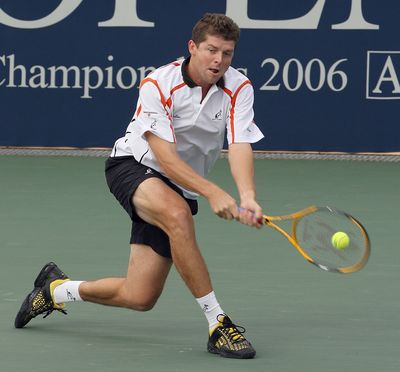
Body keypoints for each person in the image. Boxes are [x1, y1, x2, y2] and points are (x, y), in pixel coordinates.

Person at [14, 13, 264, 359]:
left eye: (227, 53)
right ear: (192, 47)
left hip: (180, 186)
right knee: (178, 216)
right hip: (133, 166)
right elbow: (167, 158)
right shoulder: (157, 84)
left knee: (140, 295)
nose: (219, 60)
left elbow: (238, 144)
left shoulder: (239, 88)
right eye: (211, 50)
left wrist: (247, 196)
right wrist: (213, 192)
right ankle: (218, 324)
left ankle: (56, 290)